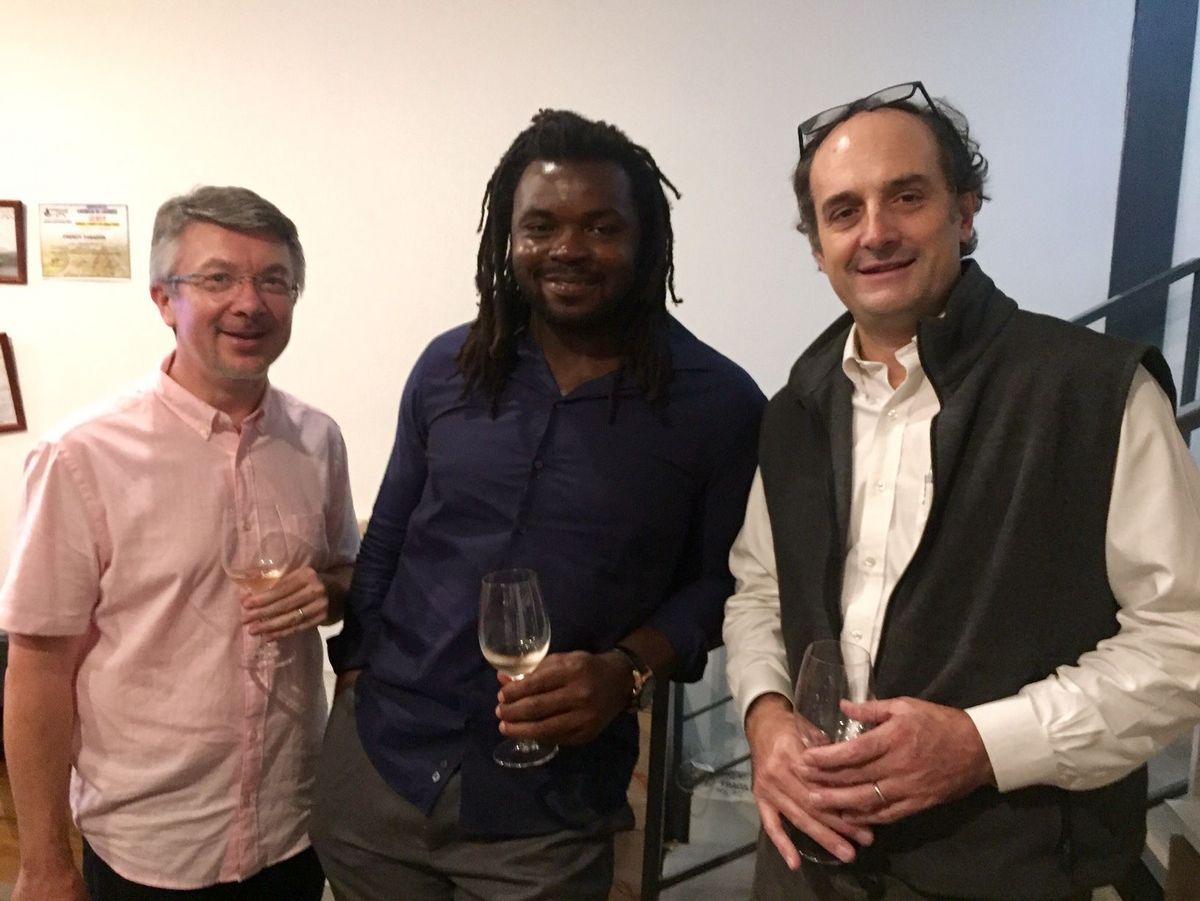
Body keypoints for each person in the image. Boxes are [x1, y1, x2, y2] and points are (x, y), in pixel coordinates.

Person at [723, 81, 1200, 900]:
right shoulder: (794, 411)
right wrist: (765, 715)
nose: (875, 232)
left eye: (906, 196)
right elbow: (760, 592)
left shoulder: (1095, 393)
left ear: (965, 211)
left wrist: (982, 744)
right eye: (843, 212)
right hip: (807, 865)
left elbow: (1182, 639)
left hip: (1011, 868)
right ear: (818, 246)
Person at [312, 108, 764, 900]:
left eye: (601, 227)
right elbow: (389, 539)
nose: (567, 248)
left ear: (646, 240)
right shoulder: (449, 368)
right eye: (541, 226)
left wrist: (627, 670)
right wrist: (353, 674)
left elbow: (721, 583)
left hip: (548, 810)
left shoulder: (717, 403)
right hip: (381, 771)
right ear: (508, 237)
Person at [0, 186, 359, 901]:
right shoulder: (81, 456)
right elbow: (38, 667)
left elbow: (347, 572)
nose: (250, 302)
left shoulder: (317, 440)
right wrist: (43, 859)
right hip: (152, 845)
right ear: (164, 299)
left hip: (292, 825)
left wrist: (329, 589)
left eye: (274, 280)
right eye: (218, 278)